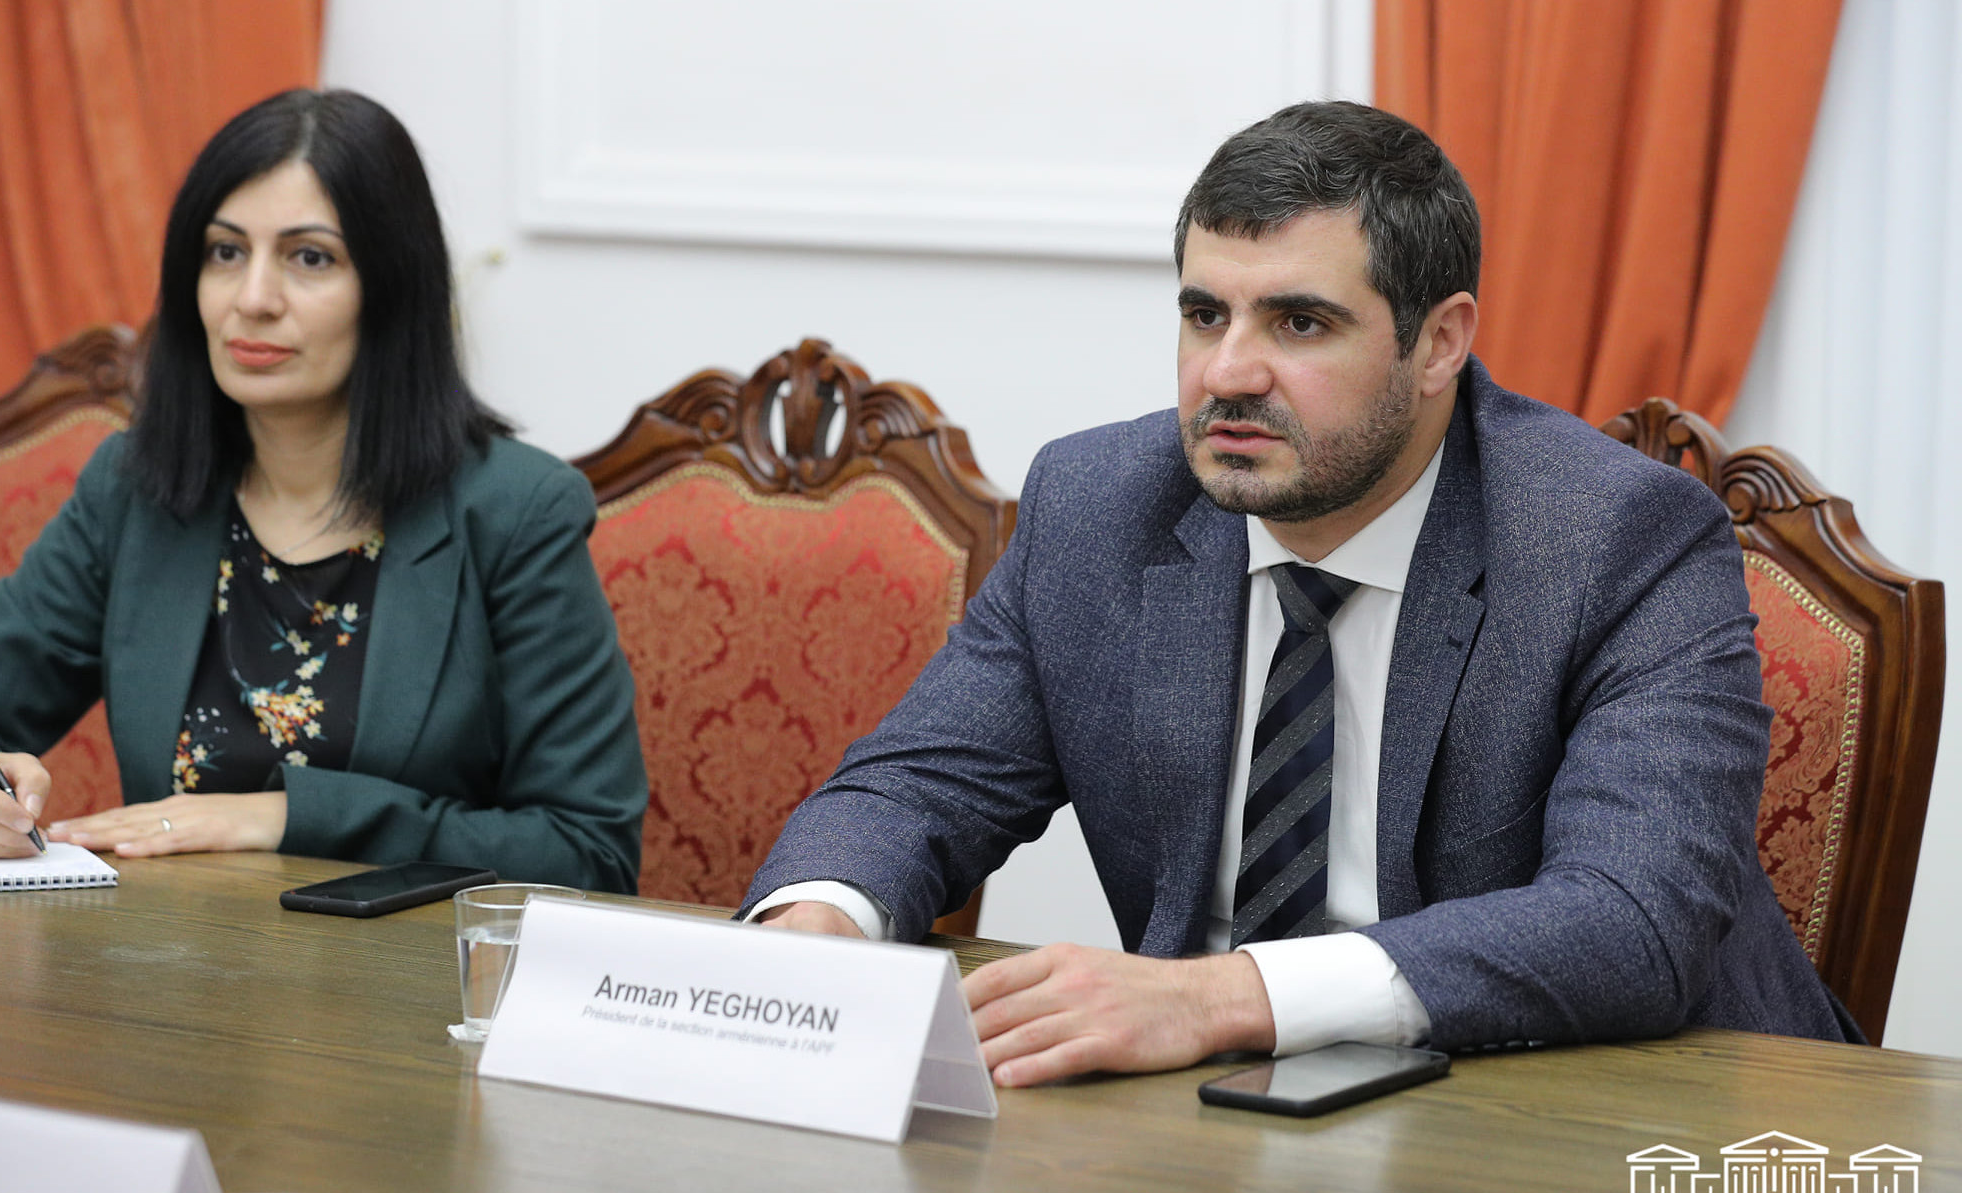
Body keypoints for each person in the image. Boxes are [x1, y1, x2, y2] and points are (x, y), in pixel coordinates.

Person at [741, 100, 1852, 1086]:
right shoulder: (1098, 505)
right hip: (1216, 1117)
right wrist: (818, 920)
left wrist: (1221, 995)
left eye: (1298, 322)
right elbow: (915, 786)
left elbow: (1630, 923)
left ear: (1438, 343)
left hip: (1607, 1109)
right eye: (1202, 314)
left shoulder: (1613, 537)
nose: (1227, 372)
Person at [0, 89, 647, 892]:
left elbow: (588, 850)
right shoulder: (137, 490)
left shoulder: (514, 511)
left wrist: (284, 816)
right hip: (166, 979)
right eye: (225, 252)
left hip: (413, 993)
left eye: (309, 258)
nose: (252, 298)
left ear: (392, 288)